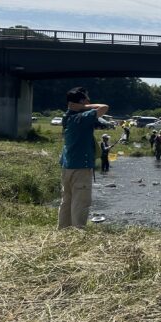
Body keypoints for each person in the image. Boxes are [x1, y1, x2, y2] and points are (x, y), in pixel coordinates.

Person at [58, 87, 109, 228]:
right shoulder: (81, 117)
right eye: (87, 99)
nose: (89, 102)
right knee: (80, 202)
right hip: (80, 167)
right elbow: (104, 107)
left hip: (67, 166)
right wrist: (84, 107)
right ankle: (78, 234)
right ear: (81, 101)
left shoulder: (66, 117)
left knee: (67, 201)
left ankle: (64, 231)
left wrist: (78, 106)